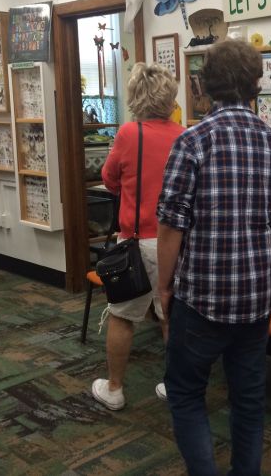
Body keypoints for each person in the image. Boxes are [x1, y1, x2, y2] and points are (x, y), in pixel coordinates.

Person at [156, 39, 271, 476]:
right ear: (256, 86)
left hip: (201, 300)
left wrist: (164, 287)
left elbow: (170, 227)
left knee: (185, 392)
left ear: (202, 86)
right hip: (257, 299)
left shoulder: (192, 142)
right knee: (249, 400)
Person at [91, 63, 184, 410]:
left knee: (122, 315)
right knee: (169, 316)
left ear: (135, 96)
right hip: (174, 241)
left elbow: (109, 178)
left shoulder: (130, 134)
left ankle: (114, 389)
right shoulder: (185, 134)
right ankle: (176, 385)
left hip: (136, 242)